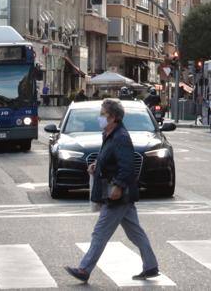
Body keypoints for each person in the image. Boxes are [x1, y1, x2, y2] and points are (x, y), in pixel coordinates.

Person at [65, 99, 159, 283]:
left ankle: (84, 269)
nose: (99, 117)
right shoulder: (109, 133)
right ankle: (151, 266)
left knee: (100, 233)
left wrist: (118, 186)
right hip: (118, 191)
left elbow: (127, 166)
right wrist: (96, 166)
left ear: (114, 117)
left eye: (103, 114)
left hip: (117, 193)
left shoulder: (120, 136)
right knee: (135, 233)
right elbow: (111, 159)